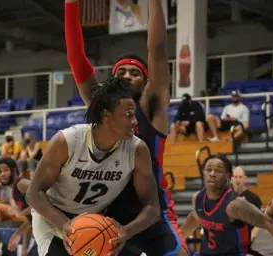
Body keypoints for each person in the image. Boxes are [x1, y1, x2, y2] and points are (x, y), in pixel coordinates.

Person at [65, 0, 188, 255]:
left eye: (135, 73)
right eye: (121, 72)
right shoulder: (102, 108)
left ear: (145, 82)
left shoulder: (151, 107)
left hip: (151, 211)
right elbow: (77, 60)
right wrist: (71, 5)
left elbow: (157, 49)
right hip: (109, 213)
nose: (128, 76)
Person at [26, 77, 160, 256]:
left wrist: (126, 231)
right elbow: (33, 193)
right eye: (128, 114)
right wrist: (65, 224)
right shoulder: (67, 141)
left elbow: (152, 207)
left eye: (134, 114)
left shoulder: (138, 150)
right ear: (106, 115)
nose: (135, 121)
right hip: (53, 219)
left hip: (97, 223)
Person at [180, 154, 273, 255]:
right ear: (203, 173)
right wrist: (179, 237)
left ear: (228, 176)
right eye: (208, 169)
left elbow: (269, 224)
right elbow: (194, 217)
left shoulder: (235, 205)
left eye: (218, 170)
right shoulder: (197, 198)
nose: (212, 173)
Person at [0, 157, 32, 256]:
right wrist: (19, 236)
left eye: (6, 170)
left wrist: (21, 213)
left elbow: (45, 201)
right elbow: (32, 219)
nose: (2, 174)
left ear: (14, 170)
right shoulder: (14, 190)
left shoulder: (22, 184)